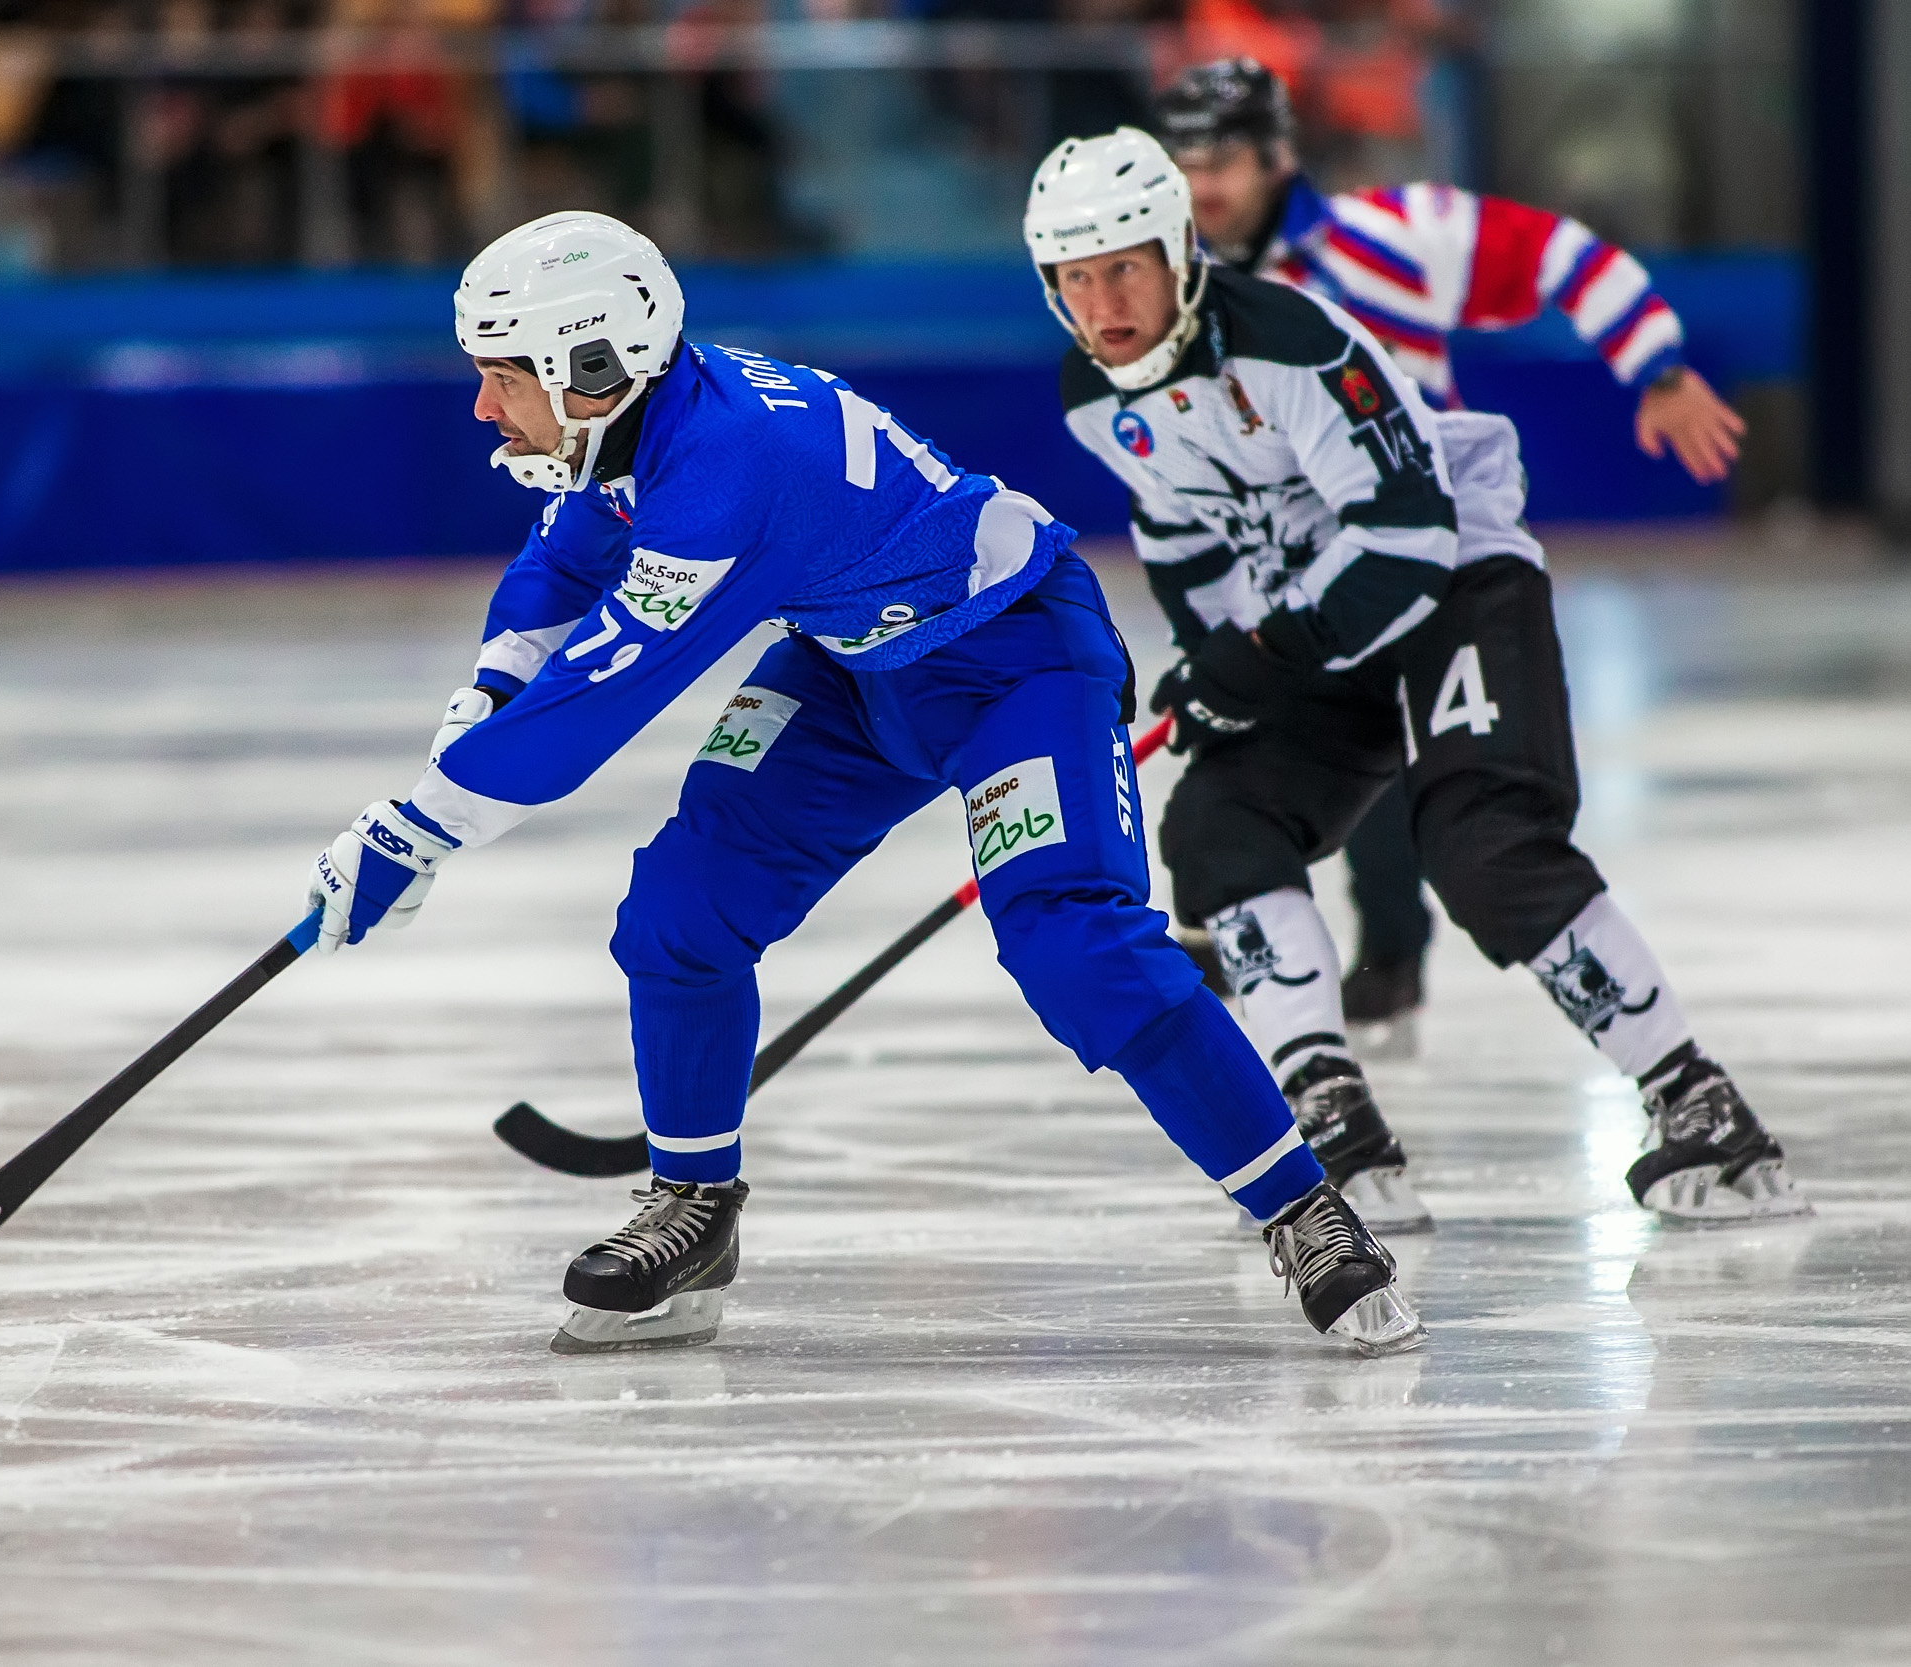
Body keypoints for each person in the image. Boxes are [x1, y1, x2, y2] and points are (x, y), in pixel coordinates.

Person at [304, 209, 1424, 1359]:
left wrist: (417, 823)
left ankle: (1302, 1206)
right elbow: (561, 563)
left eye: (500, 378)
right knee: (680, 910)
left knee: (1073, 944)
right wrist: (473, 710)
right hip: (852, 672)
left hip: (1015, 665)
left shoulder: (729, 474)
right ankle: (692, 1206)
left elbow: (598, 700)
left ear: (589, 367)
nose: (484, 407)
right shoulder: (644, 419)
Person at [1031, 127, 1806, 1236]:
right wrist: (1213, 659)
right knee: (1216, 823)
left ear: (1176, 251)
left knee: (1481, 845)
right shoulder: (1090, 393)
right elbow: (1186, 540)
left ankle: (1697, 1102)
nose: (1102, 301)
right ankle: (1331, 1115)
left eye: (1122, 266)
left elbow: (1405, 540)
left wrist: (1259, 655)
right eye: (1073, 276)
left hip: (1453, 580)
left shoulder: (1289, 341)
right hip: (1319, 614)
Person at [1152, 57, 1750, 1057]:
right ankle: (1301, 933)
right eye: (1185, 164)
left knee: (1423, 781)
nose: (1204, 186)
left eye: (1223, 161)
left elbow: (1566, 256)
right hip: (1287, 579)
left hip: (1415, 561)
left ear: (1277, 159)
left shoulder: (1389, 238)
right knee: (1261, 752)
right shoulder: (1171, 294)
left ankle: (1386, 965)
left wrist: (1658, 369)